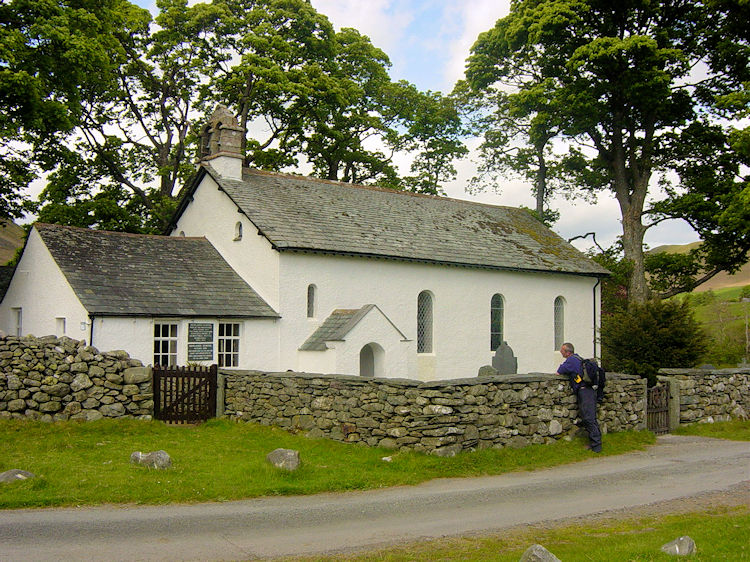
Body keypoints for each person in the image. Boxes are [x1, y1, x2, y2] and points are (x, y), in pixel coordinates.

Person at [557, 342, 602, 452]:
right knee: (590, 417)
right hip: (589, 390)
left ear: (567, 352)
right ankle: (595, 443)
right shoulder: (578, 358)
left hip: (584, 391)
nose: (560, 352)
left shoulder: (571, 360)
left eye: (562, 351)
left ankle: (596, 446)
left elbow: (559, 371)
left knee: (588, 418)